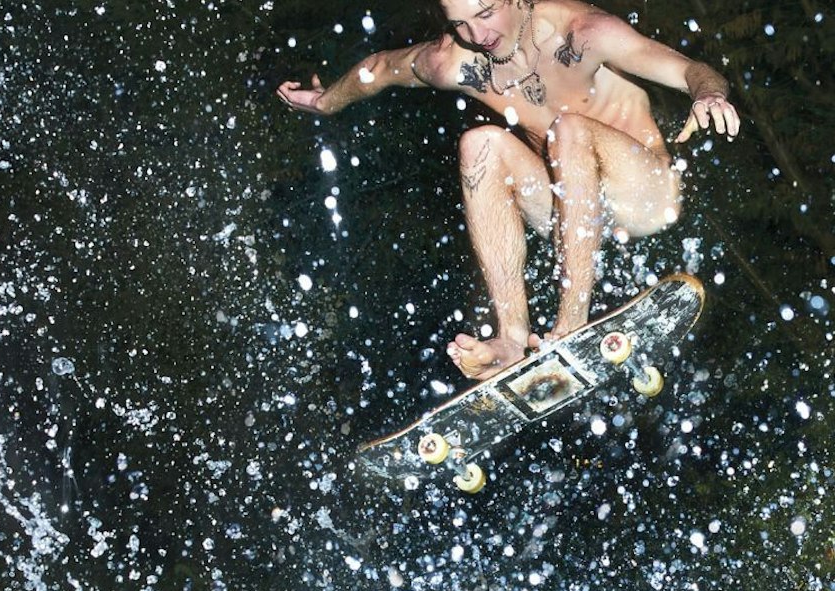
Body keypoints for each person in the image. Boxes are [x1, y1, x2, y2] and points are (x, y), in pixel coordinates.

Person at [277, 0, 740, 380]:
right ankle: (511, 340)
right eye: (460, 24)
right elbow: (381, 69)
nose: (477, 36)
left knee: (569, 130)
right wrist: (324, 101)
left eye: (485, 14)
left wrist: (708, 95)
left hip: (645, 194)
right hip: (570, 210)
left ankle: (571, 323)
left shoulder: (582, 32)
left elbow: (689, 70)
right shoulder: (453, 60)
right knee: (478, 145)